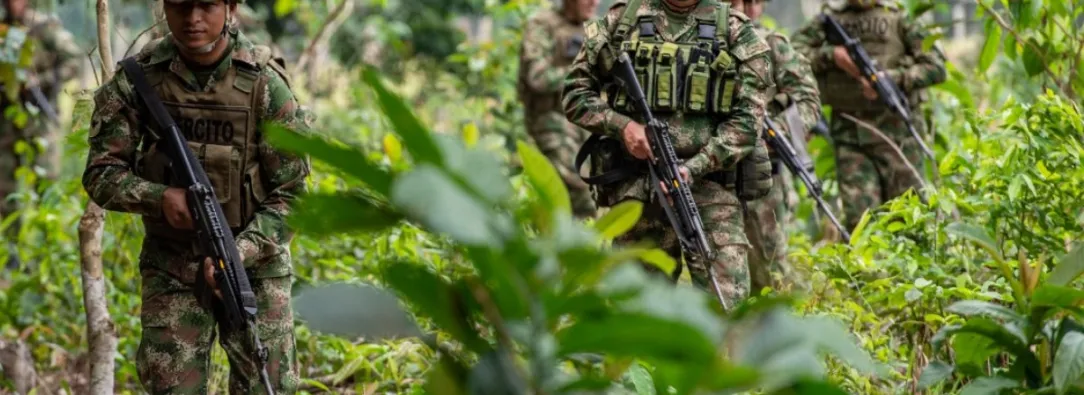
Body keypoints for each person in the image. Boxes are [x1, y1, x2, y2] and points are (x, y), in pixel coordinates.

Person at [82, 0, 310, 392]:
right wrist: (157, 197)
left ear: (230, 6)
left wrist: (242, 252)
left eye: (206, 5)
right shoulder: (140, 79)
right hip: (173, 264)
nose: (192, 20)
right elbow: (101, 172)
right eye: (180, 6)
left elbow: (295, 195)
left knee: (267, 386)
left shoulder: (264, 85)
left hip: (254, 268)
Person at [564, 0, 774, 307]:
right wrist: (622, 126)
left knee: (725, 307)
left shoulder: (734, 30)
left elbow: (747, 122)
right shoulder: (623, 20)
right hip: (638, 187)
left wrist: (696, 166)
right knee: (634, 312)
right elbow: (575, 93)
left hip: (709, 189)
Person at [791, 0, 946, 232]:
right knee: (862, 225)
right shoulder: (831, 19)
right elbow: (792, 52)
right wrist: (832, 55)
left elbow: (936, 66)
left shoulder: (899, 18)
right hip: (851, 139)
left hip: (899, 138)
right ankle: (868, 270)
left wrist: (891, 79)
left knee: (910, 222)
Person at [730, 0, 821, 292]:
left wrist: (776, 129)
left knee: (769, 272)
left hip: (761, 173)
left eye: (753, 2)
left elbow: (808, 98)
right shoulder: (704, 38)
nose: (744, 8)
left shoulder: (771, 44)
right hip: (707, 171)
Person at [0, 0, 81, 242]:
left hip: (40, 118)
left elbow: (73, 62)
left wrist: (41, 80)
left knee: (47, 186)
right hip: (6, 120)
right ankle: (11, 252)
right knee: (5, 190)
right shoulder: (2, 28)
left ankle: (49, 247)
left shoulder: (44, 28)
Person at [518, 0, 601, 219]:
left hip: (584, 122)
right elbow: (536, 78)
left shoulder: (593, 28)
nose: (595, 2)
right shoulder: (542, 24)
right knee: (580, 188)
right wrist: (580, 71)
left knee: (602, 186)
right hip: (549, 119)